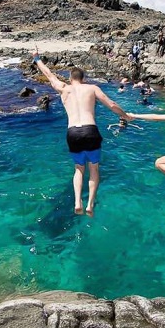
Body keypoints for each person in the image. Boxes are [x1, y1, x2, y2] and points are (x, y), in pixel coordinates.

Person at [33, 49, 130, 217]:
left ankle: (78, 201)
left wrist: (37, 58)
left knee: (79, 169)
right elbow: (111, 104)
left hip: (72, 133)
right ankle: (90, 204)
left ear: (71, 78)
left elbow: (49, 75)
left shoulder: (63, 88)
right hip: (90, 130)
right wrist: (125, 115)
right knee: (94, 169)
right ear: (83, 79)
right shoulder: (92, 88)